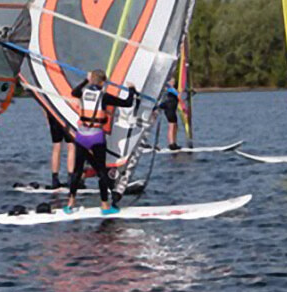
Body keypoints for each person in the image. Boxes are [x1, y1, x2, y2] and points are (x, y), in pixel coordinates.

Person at [29, 69, 135, 215]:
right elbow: (128, 103)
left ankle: (70, 204)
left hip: (81, 137)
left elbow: (74, 92)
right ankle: (104, 206)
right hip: (96, 137)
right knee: (102, 172)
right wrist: (131, 89)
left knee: (77, 171)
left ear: (91, 80)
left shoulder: (83, 93)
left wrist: (86, 80)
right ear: (103, 82)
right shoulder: (104, 96)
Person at [46, 111, 75, 189]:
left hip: (52, 113)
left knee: (56, 145)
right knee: (71, 145)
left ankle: (55, 179)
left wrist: (47, 117)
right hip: (67, 113)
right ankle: (70, 179)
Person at [159, 78, 182, 151]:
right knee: (172, 126)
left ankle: (174, 142)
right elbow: (179, 95)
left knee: (175, 126)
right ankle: (171, 144)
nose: (174, 83)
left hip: (171, 110)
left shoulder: (169, 90)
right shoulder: (170, 90)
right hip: (170, 110)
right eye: (173, 82)